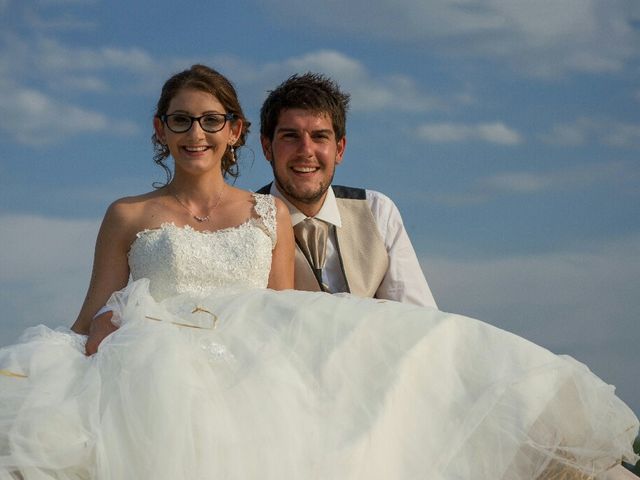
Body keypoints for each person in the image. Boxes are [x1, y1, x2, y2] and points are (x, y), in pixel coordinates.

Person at [0, 64, 638, 480]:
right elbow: (89, 316)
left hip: (270, 366)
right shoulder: (128, 213)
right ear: (160, 131)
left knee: (443, 356)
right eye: (181, 119)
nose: (197, 131)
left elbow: (287, 314)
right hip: (154, 374)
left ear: (234, 131)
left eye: (211, 119)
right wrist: (99, 335)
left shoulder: (287, 213)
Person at [257, 73, 437, 308]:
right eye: (290, 136)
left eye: (320, 136)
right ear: (266, 147)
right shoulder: (245, 221)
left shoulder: (377, 212)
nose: (306, 151)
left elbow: (417, 318)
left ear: (339, 149)